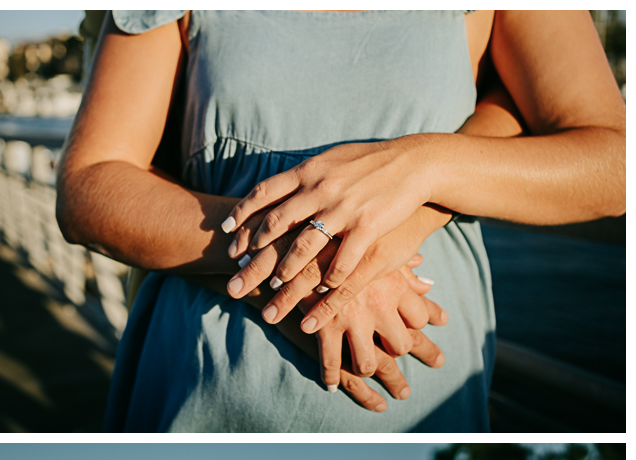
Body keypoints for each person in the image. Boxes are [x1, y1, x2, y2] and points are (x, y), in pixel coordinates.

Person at [57, 10, 540, 432]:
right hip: (204, 384)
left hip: (424, 401)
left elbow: (607, 161)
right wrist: (293, 258)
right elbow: (90, 188)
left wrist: (422, 172)